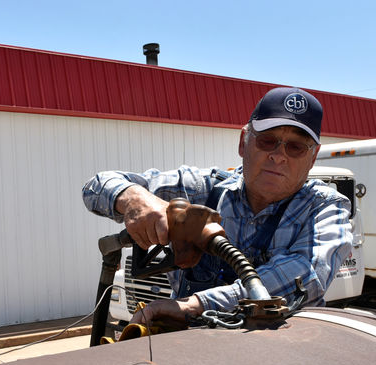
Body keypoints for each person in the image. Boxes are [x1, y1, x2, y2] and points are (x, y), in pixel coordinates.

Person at [82, 86, 353, 325]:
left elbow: (304, 277)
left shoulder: (327, 208)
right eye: (267, 140)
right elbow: (96, 186)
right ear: (243, 141)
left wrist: (195, 306)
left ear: (313, 156)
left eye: (295, 147)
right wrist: (134, 199)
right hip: (189, 355)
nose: (278, 156)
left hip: (277, 361)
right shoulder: (204, 190)